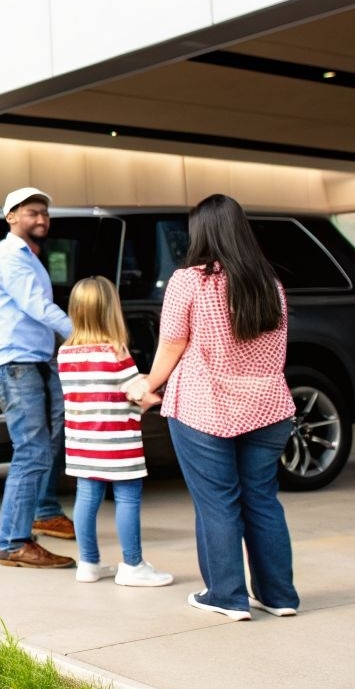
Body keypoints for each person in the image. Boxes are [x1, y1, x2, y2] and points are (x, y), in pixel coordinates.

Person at [128, 194, 300, 622]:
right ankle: (279, 596)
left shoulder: (190, 281)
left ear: (200, 232)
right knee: (262, 499)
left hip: (205, 407)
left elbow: (171, 342)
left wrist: (148, 384)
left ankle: (226, 595)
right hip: (269, 406)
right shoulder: (270, 284)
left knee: (218, 503)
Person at [0, 187, 75, 569]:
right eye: (33, 212)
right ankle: (15, 543)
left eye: (45, 214)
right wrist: (84, 334)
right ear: (11, 216)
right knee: (31, 450)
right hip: (14, 364)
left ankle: (34, 522)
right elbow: (39, 307)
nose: (41, 220)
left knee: (39, 446)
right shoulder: (11, 258)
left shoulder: (27, 257)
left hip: (28, 361)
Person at [58, 276, 174, 588]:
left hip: (82, 442)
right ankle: (133, 564)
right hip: (119, 442)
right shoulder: (116, 352)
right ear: (111, 311)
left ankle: (88, 563)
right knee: (127, 497)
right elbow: (137, 392)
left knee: (87, 496)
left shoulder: (65, 354)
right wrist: (158, 389)